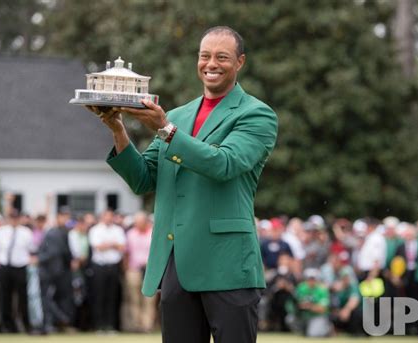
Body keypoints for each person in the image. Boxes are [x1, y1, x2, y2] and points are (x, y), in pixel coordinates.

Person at [86, 26, 278, 342]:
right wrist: (118, 129)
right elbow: (143, 179)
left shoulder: (257, 114)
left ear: (240, 62)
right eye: (205, 56)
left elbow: (223, 164)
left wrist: (166, 130)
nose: (211, 64)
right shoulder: (179, 114)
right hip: (178, 264)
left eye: (222, 57)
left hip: (228, 264)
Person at [0, 209, 34, 333]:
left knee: (22, 297)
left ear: (19, 218)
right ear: (8, 218)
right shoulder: (1, 231)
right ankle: (7, 326)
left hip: (20, 266)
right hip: (5, 266)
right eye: (12, 217)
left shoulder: (26, 232)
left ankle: (26, 324)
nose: (14, 220)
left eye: (16, 217)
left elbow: (31, 249)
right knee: (5, 297)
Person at [88, 209, 126, 332]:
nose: (109, 218)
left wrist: (107, 245)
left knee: (112, 296)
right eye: (107, 216)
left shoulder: (118, 230)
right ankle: (99, 325)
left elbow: (122, 247)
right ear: (102, 217)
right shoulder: (95, 230)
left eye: (111, 216)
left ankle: (110, 325)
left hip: (113, 266)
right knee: (99, 296)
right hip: (99, 266)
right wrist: (113, 244)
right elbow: (97, 247)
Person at [38, 207, 73, 332]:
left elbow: (62, 252)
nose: (66, 219)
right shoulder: (53, 232)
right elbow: (54, 252)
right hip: (49, 271)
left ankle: (57, 321)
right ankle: (57, 321)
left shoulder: (60, 232)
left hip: (57, 271)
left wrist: (38, 258)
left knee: (49, 298)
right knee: (47, 298)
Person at [123, 211, 156, 332]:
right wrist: (126, 268)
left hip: (150, 270)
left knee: (149, 299)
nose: (137, 224)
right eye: (136, 222)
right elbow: (126, 253)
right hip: (134, 270)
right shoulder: (131, 234)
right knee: (134, 298)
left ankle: (147, 325)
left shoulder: (153, 232)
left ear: (145, 222)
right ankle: (136, 325)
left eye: (140, 222)